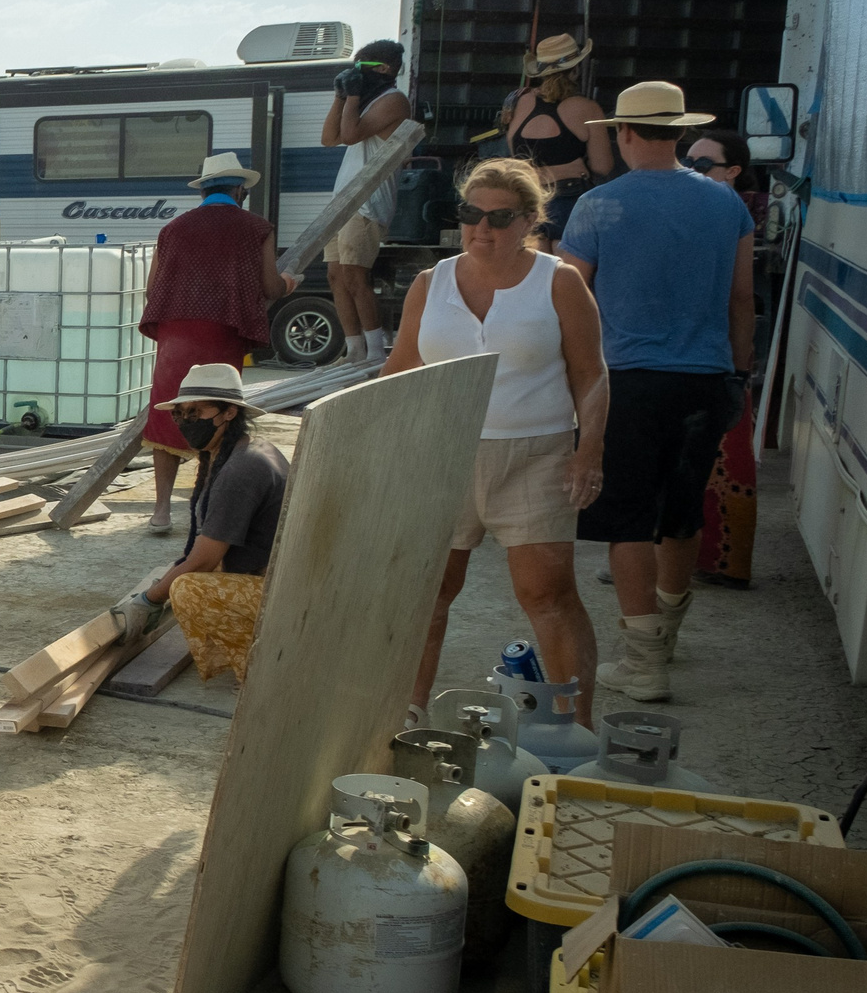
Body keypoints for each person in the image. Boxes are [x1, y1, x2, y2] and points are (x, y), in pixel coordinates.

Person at [383, 158, 609, 725]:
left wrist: (590, 449)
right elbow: (400, 370)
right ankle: (405, 713)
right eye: (470, 214)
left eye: (499, 218)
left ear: (531, 219)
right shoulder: (429, 283)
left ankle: (573, 730)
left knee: (547, 595)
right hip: (443, 454)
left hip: (535, 453)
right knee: (428, 594)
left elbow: (592, 374)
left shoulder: (559, 281)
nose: (481, 229)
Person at [558, 82, 757, 702]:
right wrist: (739, 374)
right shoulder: (728, 206)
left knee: (628, 521)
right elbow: (743, 298)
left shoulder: (598, 206)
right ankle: (666, 632)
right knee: (681, 508)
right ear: (677, 132)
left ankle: (644, 661)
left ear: (624, 133)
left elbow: (568, 299)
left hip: (629, 382)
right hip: (707, 378)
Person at [138, 153, 290, 533]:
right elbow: (271, 287)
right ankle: (207, 510)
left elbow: (151, 289)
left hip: (176, 333)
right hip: (222, 333)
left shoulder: (173, 229)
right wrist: (291, 282)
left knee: (170, 415)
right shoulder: (257, 228)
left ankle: (160, 512)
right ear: (239, 190)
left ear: (203, 190)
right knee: (219, 416)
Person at [111, 362, 289, 684]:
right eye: (180, 414)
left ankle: (260, 665)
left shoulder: (241, 470)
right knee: (178, 574)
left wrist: (148, 602)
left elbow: (204, 558)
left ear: (229, 412)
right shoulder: (238, 451)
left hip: (284, 597)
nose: (185, 422)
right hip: (282, 578)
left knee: (187, 589)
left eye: (196, 413)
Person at [683, 127, 762, 588]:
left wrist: (739, 363)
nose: (690, 170)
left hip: (713, 350)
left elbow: (741, 297)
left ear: (732, 171)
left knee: (719, 460)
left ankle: (720, 560)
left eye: (701, 164)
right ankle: (714, 560)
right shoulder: (729, 211)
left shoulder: (727, 212)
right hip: (714, 350)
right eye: (687, 160)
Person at [318, 39, 411, 365]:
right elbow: (329, 138)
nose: (355, 73)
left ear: (385, 70)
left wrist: (354, 96)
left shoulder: (394, 100)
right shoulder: (368, 100)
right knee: (335, 276)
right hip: (344, 199)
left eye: (362, 68)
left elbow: (352, 134)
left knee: (356, 276)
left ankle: (374, 353)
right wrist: (340, 96)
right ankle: (354, 348)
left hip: (368, 200)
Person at [504, 34, 613, 252]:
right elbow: (603, 166)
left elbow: (514, 156)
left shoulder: (518, 102)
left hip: (529, 200)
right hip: (571, 200)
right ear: (576, 69)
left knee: (534, 276)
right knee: (568, 276)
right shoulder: (587, 107)